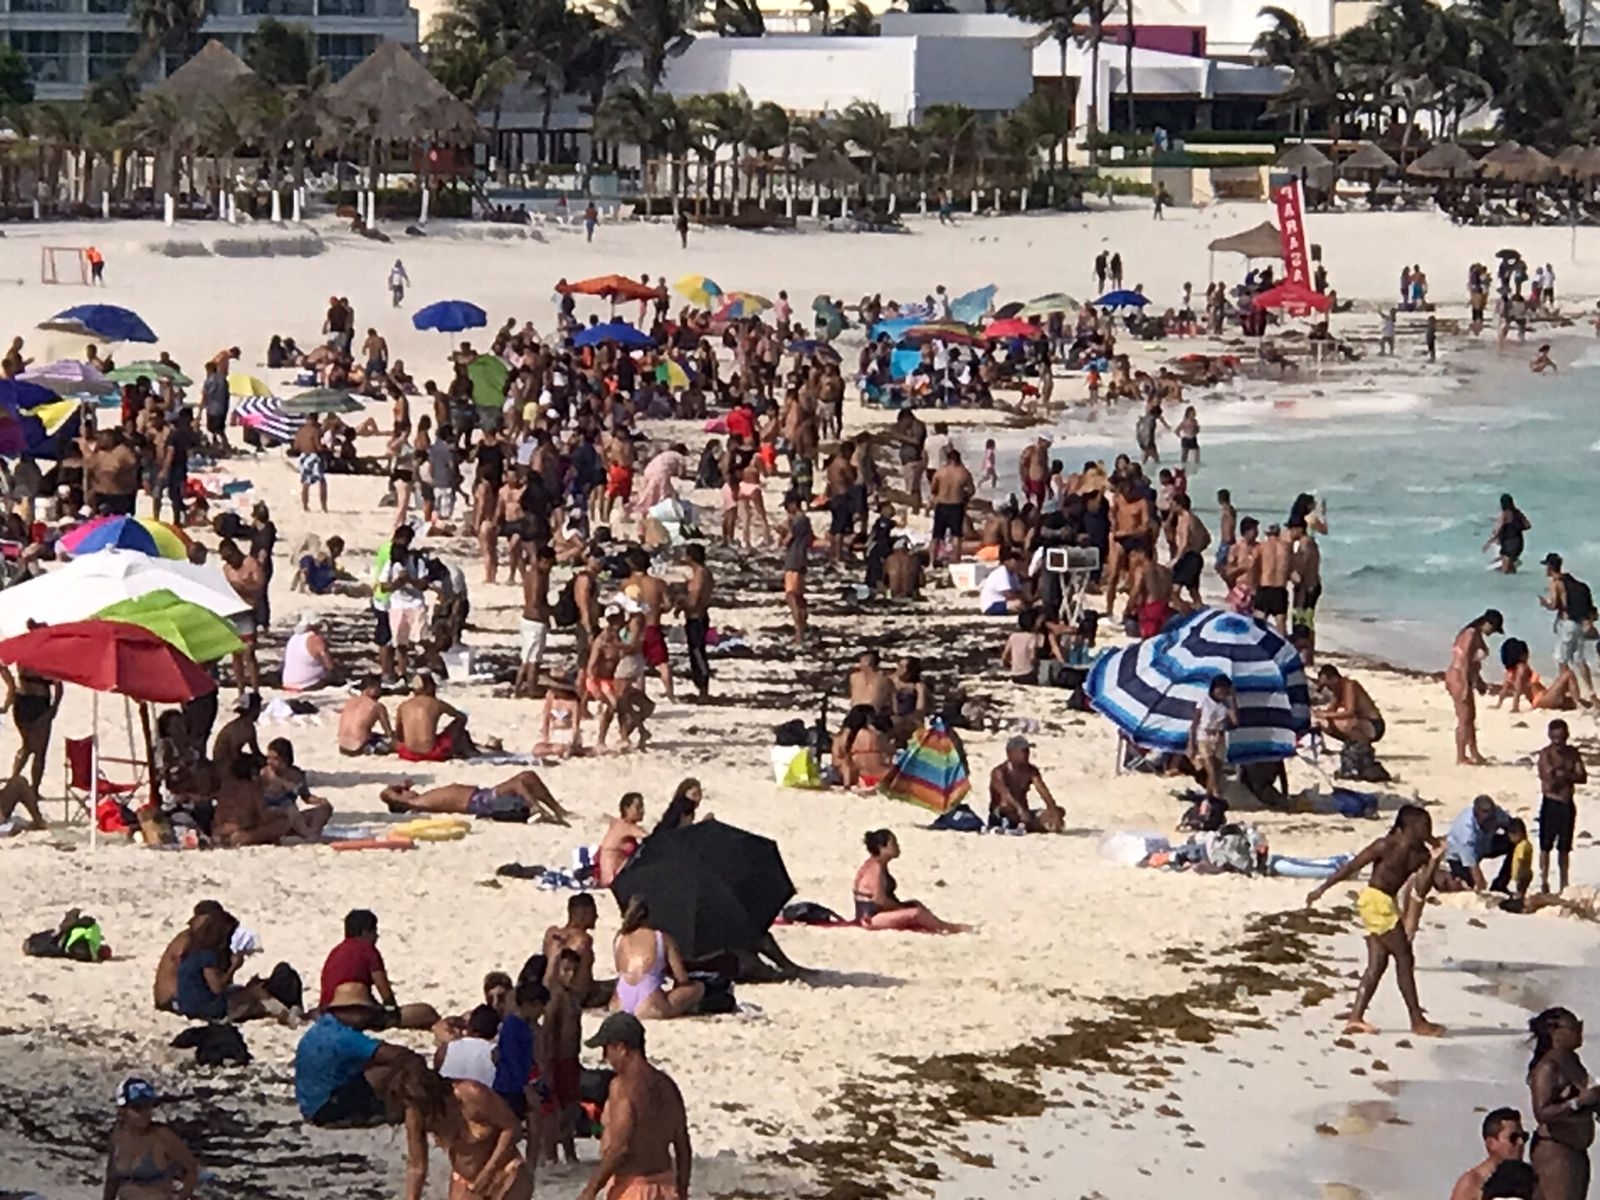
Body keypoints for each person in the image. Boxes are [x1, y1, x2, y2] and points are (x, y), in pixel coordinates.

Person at [1305, 803, 1447, 1037]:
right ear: (1408, 827)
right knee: (1404, 957)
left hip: (1388, 904)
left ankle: (1355, 1018)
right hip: (1374, 901)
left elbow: (1426, 886)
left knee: (1378, 964)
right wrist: (1322, 889)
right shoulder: (1386, 845)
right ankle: (1417, 1020)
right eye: (1424, 826)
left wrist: (1435, 861)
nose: (1428, 830)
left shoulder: (1420, 853)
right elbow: (1352, 867)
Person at [576, 1012, 691, 1200]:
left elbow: (620, 1147)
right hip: (666, 1187)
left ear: (621, 1048)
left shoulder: (622, 1087)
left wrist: (591, 1190)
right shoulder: (667, 1085)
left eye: (607, 1049)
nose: (605, 1057)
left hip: (632, 1188)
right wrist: (682, 1190)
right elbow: (682, 1145)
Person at [399, 1059, 535, 1200]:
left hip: (504, 1171)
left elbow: (512, 1128)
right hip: (465, 1179)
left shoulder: (472, 1095)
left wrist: (488, 1171)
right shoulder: (416, 1112)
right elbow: (417, 1167)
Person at [294, 982, 423, 1128]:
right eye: (366, 1012)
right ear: (354, 1011)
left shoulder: (323, 1027)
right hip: (328, 1108)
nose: (368, 1017)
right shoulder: (344, 1037)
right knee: (395, 1070)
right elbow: (398, 1056)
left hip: (311, 1105)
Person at [319, 909, 441, 1030]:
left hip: (328, 1012)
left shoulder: (335, 952)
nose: (377, 936)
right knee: (426, 1012)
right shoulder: (368, 950)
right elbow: (383, 987)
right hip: (358, 1014)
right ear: (365, 932)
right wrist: (392, 1011)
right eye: (374, 931)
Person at [1527, 1006, 1600, 1200]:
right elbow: (1541, 1112)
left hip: (1575, 1148)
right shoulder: (1548, 1066)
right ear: (1555, 1033)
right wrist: (1578, 1102)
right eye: (1574, 1027)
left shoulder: (1571, 1060)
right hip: (1556, 1149)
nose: (1579, 1032)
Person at [853, 830, 968, 933]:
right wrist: (901, 908)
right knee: (915, 913)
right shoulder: (875, 869)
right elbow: (880, 900)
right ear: (882, 848)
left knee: (915, 904)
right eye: (893, 844)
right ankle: (950, 928)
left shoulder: (876, 864)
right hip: (870, 918)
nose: (898, 846)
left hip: (875, 913)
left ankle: (941, 925)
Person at [103, 1077, 199, 1200]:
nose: (145, 1113)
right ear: (122, 1111)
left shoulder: (162, 1136)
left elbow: (191, 1169)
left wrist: (182, 1197)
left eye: (148, 1106)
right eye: (137, 1108)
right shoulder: (117, 1136)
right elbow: (112, 1180)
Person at [611, 897, 704, 1019]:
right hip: (650, 1006)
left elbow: (620, 969)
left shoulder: (619, 938)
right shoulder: (661, 937)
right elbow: (682, 978)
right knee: (697, 987)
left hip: (619, 1005)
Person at [380, 770, 570, 825]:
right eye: (402, 792)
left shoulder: (421, 799)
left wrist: (403, 789)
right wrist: (402, 788)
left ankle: (559, 810)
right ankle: (537, 808)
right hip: (479, 803)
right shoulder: (416, 802)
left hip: (481, 796)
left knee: (527, 777)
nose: (406, 790)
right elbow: (386, 794)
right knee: (518, 783)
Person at [541, 948, 584, 1162]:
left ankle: (569, 1151)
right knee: (556, 1108)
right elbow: (548, 1030)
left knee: (570, 1107)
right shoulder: (555, 997)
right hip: (558, 1059)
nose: (570, 975)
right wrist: (547, 1063)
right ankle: (551, 1153)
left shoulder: (572, 996)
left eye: (574, 971)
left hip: (571, 1058)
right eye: (566, 970)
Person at [1448, 610, 1504, 766]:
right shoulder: (1471, 634)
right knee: (1464, 718)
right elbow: (1465, 660)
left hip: (1465, 677)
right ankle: (1460, 756)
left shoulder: (1475, 635)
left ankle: (1474, 752)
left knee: (1470, 717)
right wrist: (1466, 685)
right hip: (1458, 677)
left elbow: (1473, 664)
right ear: (1487, 623)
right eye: (1493, 629)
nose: (1492, 633)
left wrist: (1478, 681)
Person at [1538, 719, 1587, 894]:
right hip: (1551, 802)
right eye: (1555, 737)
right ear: (1550, 736)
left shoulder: (1572, 753)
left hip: (1567, 803)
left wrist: (1563, 774)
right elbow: (1550, 780)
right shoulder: (1546, 754)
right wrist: (1568, 774)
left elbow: (1582, 776)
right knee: (1545, 845)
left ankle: (1563, 882)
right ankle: (1544, 880)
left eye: (1561, 737)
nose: (1558, 741)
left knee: (1565, 847)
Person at [1540, 554, 1596, 703]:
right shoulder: (1575, 583)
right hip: (1579, 624)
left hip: (1567, 624)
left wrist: (1544, 603)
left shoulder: (1556, 582)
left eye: (1546, 566)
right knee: (1580, 660)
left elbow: (1554, 605)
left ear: (1551, 567)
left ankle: (1572, 696)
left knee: (1562, 660)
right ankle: (1591, 693)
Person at [988, 735, 1064, 833]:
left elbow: (1043, 791)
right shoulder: (999, 772)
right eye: (1023, 751)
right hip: (1003, 812)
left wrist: (1052, 809)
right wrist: (1020, 809)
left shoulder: (1030, 770)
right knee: (1007, 806)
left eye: (1027, 751)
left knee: (1059, 811)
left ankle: (1033, 825)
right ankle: (1029, 825)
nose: (1027, 754)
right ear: (1011, 753)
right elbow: (1005, 794)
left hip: (1024, 812)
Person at [1450, 1108, 1529, 1200]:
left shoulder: (1531, 1178)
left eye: (1524, 1137)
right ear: (1491, 1143)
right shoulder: (1472, 1183)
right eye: (1513, 1137)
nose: (1521, 1142)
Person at [394, 672, 475, 762]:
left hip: (408, 753)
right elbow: (461, 717)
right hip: (431, 753)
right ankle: (468, 750)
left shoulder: (403, 706)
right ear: (429, 687)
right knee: (460, 724)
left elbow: (399, 735)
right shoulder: (436, 703)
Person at [1447, 793, 1514, 891]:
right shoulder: (1466, 830)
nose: (1489, 819)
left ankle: (1500, 884)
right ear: (1476, 813)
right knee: (1466, 884)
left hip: (1486, 844)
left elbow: (1514, 827)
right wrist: (1482, 890)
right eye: (1485, 814)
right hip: (1460, 856)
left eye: (1491, 816)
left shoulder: (1497, 814)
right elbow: (1472, 865)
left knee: (1514, 842)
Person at [1188, 676, 1236, 799]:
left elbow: (1235, 721)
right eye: (1221, 689)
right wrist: (1191, 743)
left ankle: (1209, 797)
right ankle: (1216, 795)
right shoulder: (1204, 701)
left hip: (1219, 738)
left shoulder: (1225, 704)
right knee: (1211, 770)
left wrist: (1232, 701)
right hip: (1204, 737)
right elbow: (1195, 723)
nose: (1222, 692)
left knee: (1217, 772)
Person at [1315, 666, 1384, 746]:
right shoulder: (1336, 691)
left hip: (1373, 724)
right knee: (1323, 723)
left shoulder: (1349, 685)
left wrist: (1325, 714)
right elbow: (1331, 710)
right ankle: (1352, 743)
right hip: (1360, 723)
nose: (1328, 688)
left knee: (1342, 723)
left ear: (1334, 679)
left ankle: (1362, 746)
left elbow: (1350, 712)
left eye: (1327, 685)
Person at [781, 493, 813, 644]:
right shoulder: (805, 520)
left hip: (793, 559)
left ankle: (799, 632)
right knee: (799, 597)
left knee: (791, 596)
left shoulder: (799, 520)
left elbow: (787, 540)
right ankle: (802, 629)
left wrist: (784, 530)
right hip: (801, 559)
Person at [598, 793, 648, 887]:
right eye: (638, 807)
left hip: (606, 877)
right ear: (626, 809)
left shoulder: (618, 824)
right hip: (614, 879)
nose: (642, 811)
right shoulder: (626, 827)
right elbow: (652, 838)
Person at [338, 676, 394, 755]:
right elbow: (388, 733)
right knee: (392, 743)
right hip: (358, 748)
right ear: (372, 688)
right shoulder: (377, 706)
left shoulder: (349, 701)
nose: (380, 691)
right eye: (379, 688)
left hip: (342, 747)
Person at [281, 614, 335, 692]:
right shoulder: (316, 639)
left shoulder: (293, 638)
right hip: (307, 684)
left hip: (287, 683)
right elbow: (329, 665)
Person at [1485, 494, 1532, 574]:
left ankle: (1505, 586)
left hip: (1509, 544)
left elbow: (1499, 528)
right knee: (1511, 569)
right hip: (1519, 542)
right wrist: (1516, 528)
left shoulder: (1505, 514)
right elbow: (1528, 525)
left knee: (1505, 571)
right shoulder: (1518, 512)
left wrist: (1489, 542)